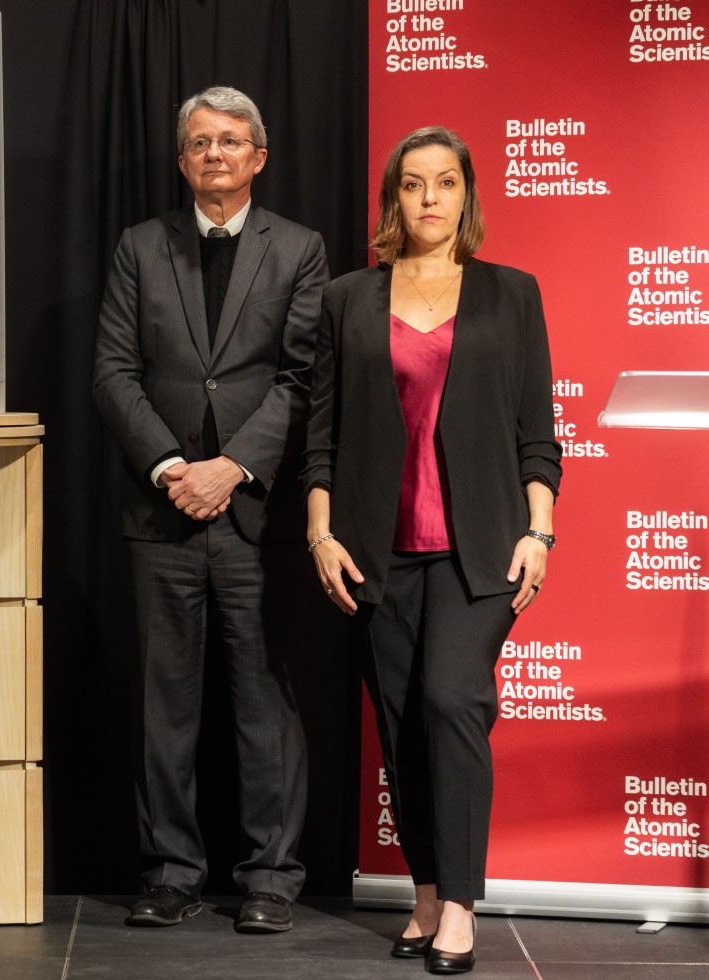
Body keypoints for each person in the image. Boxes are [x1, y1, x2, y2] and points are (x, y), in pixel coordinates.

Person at [303, 126, 560, 975]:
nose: (427, 200)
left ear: (465, 194)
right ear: (393, 198)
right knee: (403, 722)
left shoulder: (511, 295)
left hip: (479, 550)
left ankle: (458, 902)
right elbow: (323, 436)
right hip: (379, 549)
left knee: (453, 701)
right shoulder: (346, 299)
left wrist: (539, 529)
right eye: (411, 185)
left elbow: (537, 435)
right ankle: (421, 890)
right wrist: (319, 529)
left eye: (444, 183)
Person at [93, 86, 326, 934]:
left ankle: (270, 877)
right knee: (165, 703)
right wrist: (170, 470)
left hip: (253, 515)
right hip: (160, 514)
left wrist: (228, 469)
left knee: (264, 700)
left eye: (231, 141)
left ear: (258, 157)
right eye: (199, 142)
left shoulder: (298, 249)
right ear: (182, 159)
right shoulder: (138, 247)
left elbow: (302, 380)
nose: (214, 154)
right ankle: (171, 870)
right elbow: (112, 373)